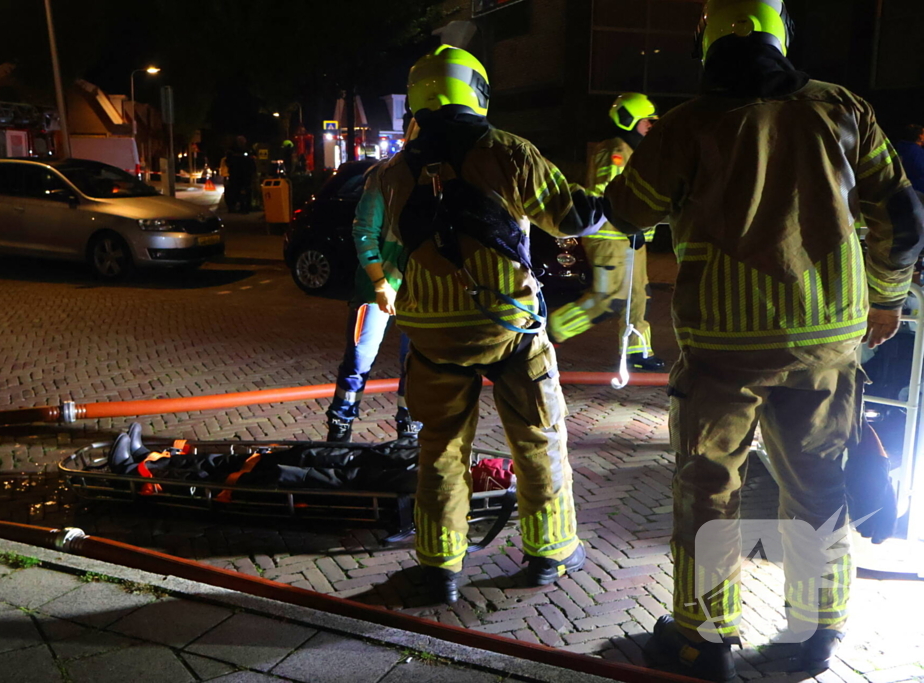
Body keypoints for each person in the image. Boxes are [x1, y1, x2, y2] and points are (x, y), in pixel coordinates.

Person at [601, 1, 924, 680]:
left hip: (724, 346)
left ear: (708, 40)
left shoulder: (686, 126)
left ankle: (704, 638)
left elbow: (628, 210)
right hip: (827, 341)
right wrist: (888, 298)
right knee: (817, 485)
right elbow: (901, 214)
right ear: (782, 33)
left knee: (709, 487)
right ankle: (814, 631)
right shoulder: (843, 110)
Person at [372, 46, 611, 604]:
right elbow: (570, 216)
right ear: (475, 92)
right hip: (508, 326)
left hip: (430, 334)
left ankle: (439, 567)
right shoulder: (508, 152)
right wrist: (621, 210)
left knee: (439, 448)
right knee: (538, 437)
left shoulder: (391, 171)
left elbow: (387, 245)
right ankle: (550, 553)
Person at [548, 94, 665, 372]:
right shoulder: (616, 149)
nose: (651, 127)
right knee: (609, 298)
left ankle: (638, 351)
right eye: (646, 121)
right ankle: (551, 332)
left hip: (630, 237)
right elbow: (607, 193)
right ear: (629, 120)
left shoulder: (634, 151)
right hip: (611, 238)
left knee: (638, 297)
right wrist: (629, 222)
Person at [325, 164, 422, 443]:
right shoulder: (384, 175)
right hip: (378, 287)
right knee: (359, 358)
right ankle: (340, 423)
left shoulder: (440, 172)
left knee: (415, 363)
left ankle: (410, 425)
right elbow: (365, 231)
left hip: (419, 287)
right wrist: (380, 283)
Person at [224, 136, 256, 213]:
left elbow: (252, 160)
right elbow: (228, 161)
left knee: (246, 190)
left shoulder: (248, 150)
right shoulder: (232, 151)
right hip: (236, 174)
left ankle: (245, 206)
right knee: (235, 190)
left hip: (245, 174)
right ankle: (234, 206)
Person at [892, 123, 924, 193]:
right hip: (919, 192)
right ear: (919, 137)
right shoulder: (917, 153)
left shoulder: (898, 149)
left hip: (902, 191)